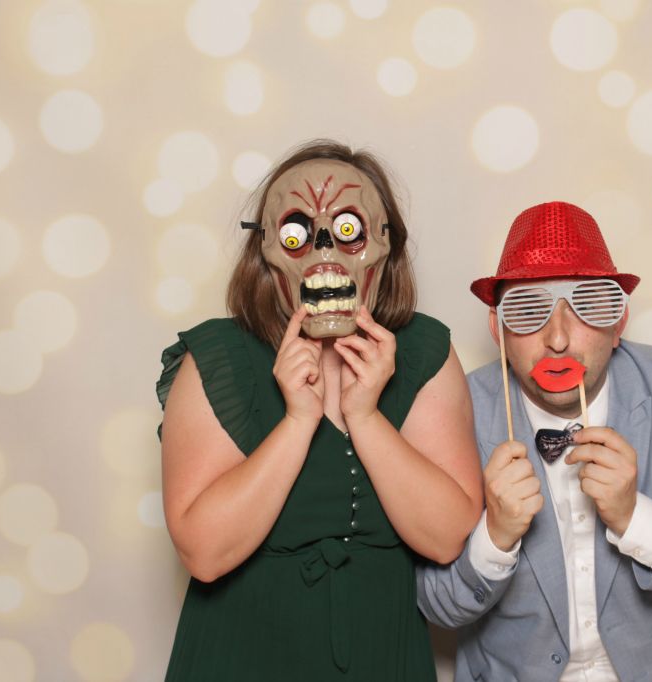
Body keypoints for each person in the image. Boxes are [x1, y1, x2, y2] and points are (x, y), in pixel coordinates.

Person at [156, 139, 482, 681]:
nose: (324, 254)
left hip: (382, 657)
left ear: (385, 244)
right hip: (240, 658)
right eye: (297, 234)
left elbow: (446, 537)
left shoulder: (424, 352)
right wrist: (297, 420)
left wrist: (366, 416)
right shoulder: (218, 359)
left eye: (349, 229)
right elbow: (204, 553)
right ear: (266, 250)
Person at [417, 201, 652, 681]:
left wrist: (636, 519)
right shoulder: (453, 414)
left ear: (618, 322)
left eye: (587, 305)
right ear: (498, 328)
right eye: (528, 309)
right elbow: (437, 607)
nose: (558, 339)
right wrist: (495, 538)